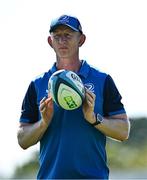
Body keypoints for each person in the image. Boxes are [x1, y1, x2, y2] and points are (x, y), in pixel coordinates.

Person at [17, 14, 130, 179]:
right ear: (50, 42)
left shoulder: (102, 80)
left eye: (68, 35)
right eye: (57, 36)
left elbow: (123, 131)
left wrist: (94, 118)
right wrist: (43, 123)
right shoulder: (37, 84)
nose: (62, 40)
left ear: (81, 40)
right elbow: (22, 139)